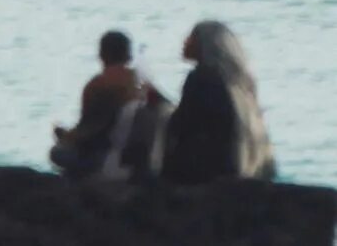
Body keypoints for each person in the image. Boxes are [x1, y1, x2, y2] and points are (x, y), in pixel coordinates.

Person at [162, 21, 275, 184]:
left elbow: (184, 126)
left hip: (204, 176)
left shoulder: (200, 78)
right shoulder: (239, 85)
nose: (184, 41)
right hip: (232, 173)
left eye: (191, 37)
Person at [51, 31, 165, 180]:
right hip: (142, 157)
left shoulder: (98, 84)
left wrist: (64, 136)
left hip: (108, 157)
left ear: (102, 54)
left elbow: (90, 131)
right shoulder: (143, 82)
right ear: (127, 55)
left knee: (58, 153)